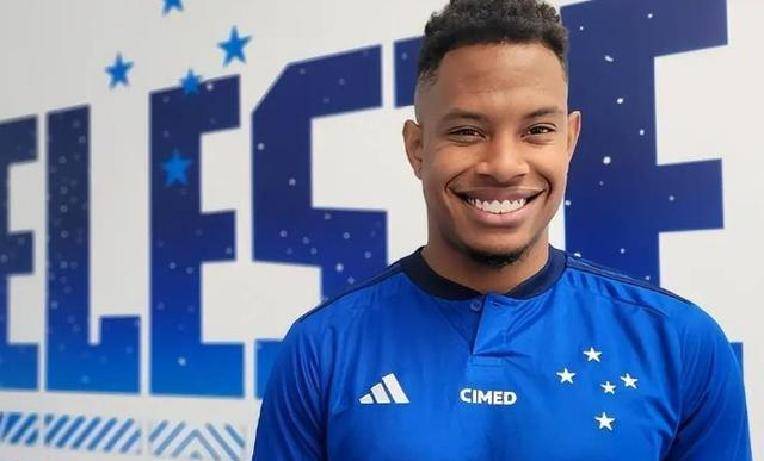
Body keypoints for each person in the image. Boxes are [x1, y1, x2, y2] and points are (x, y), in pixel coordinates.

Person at [252, 0, 751, 459]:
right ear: (417, 148)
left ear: (569, 141)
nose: (505, 165)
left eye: (537, 131)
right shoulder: (321, 349)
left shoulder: (682, 345)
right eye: (467, 131)